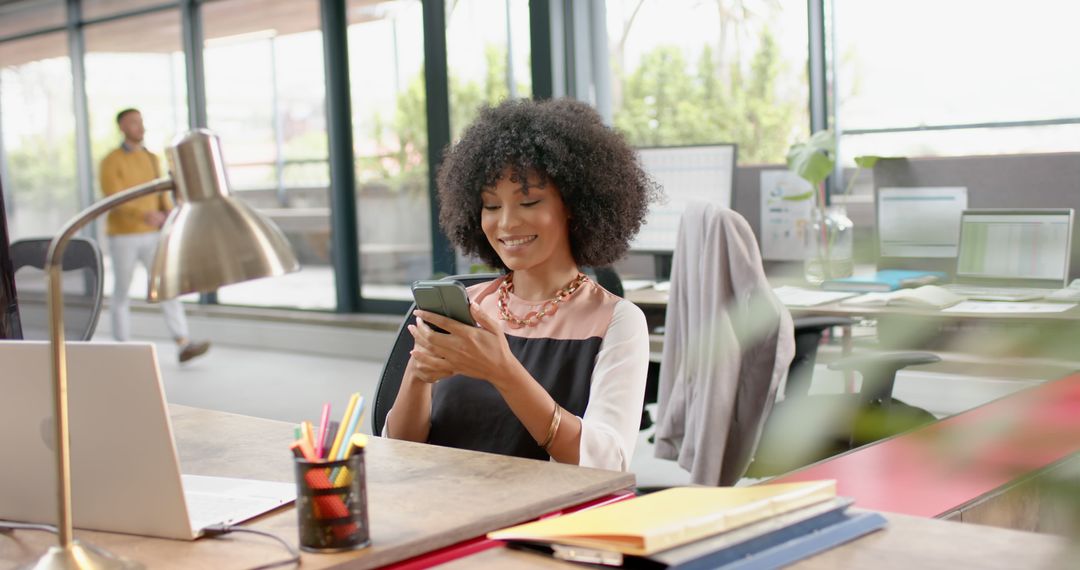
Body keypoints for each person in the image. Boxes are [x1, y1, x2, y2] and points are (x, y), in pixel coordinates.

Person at [385, 98, 659, 471]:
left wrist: (503, 370)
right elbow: (398, 449)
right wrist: (418, 374)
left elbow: (606, 463)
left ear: (574, 205)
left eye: (528, 202)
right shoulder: (466, 306)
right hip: (443, 508)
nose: (507, 224)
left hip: (542, 522)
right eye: (492, 206)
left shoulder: (616, 321)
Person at [99, 108, 210, 363]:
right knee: (121, 292)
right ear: (122, 128)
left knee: (166, 286)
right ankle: (121, 348)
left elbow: (160, 193)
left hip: (152, 235)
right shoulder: (112, 161)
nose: (140, 126)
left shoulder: (151, 158)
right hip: (124, 235)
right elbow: (114, 198)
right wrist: (143, 215)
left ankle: (183, 342)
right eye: (133, 123)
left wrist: (168, 216)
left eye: (140, 121)